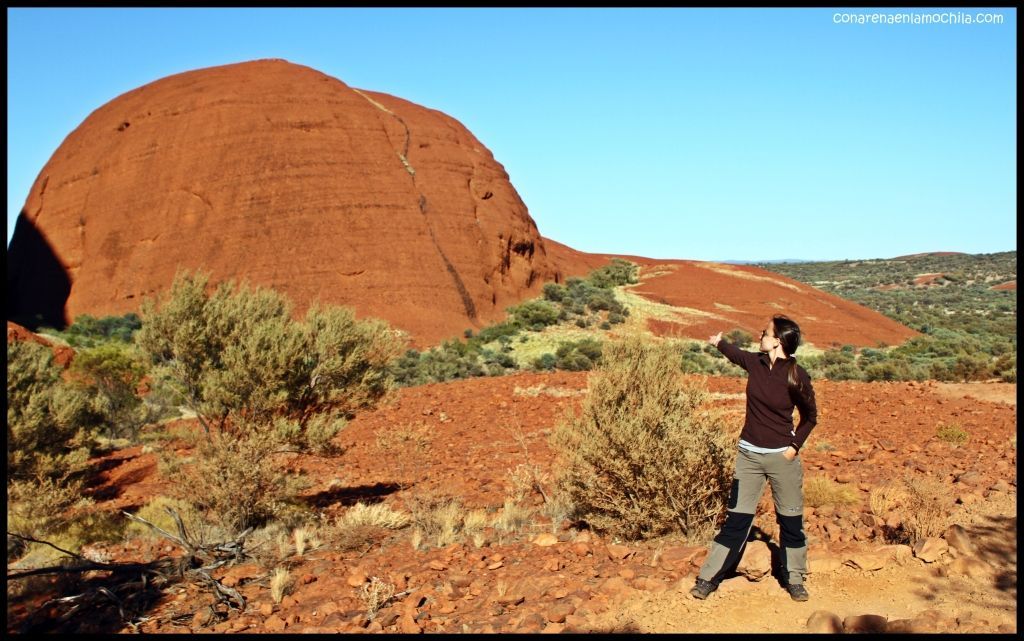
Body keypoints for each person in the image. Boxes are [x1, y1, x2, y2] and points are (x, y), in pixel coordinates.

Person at [690, 314, 818, 602]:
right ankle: (708, 578)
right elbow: (736, 355)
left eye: (765, 332)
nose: (760, 335)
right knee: (736, 521)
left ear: (777, 341)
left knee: (790, 521)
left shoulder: (796, 375)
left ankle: (794, 578)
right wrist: (719, 342)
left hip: (781, 459)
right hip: (748, 456)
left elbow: (810, 417)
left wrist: (793, 447)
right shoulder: (756, 364)